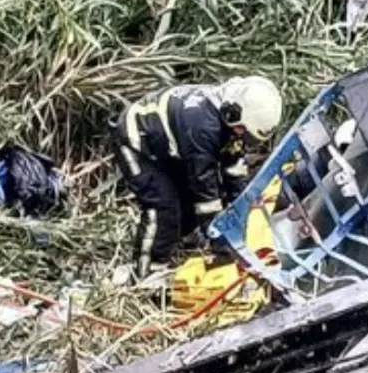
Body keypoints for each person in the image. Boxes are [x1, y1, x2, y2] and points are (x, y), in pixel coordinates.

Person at [112, 76, 283, 280]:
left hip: (169, 146)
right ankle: (147, 273)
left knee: (185, 206)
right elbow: (205, 192)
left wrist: (241, 214)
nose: (242, 138)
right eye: (241, 132)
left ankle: (174, 243)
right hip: (136, 140)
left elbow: (234, 173)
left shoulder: (229, 120)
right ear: (232, 114)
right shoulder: (202, 126)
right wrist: (221, 242)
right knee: (163, 206)